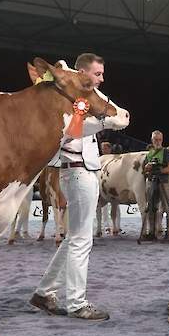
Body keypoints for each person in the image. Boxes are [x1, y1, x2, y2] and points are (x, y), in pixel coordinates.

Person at [30, 53, 110, 321]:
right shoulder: (76, 102)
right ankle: (77, 303)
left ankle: (44, 292)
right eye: (97, 74)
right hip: (79, 172)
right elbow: (75, 132)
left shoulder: (81, 100)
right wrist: (106, 118)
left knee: (74, 237)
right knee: (81, 240)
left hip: (76, 172)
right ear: (83, 73)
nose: (101, 78)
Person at [141, 130, 169, 241]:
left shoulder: (166, 152)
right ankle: (152, 232)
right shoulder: (149, 154)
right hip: (151, 181)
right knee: (151, 207)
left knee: (167, 207)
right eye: (155, 139)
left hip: (163, 182)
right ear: (152, 140)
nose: (157, 141)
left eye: (159, 139)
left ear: (162, 140)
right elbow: (144, 170)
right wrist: (147, 168)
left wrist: (159, 170)